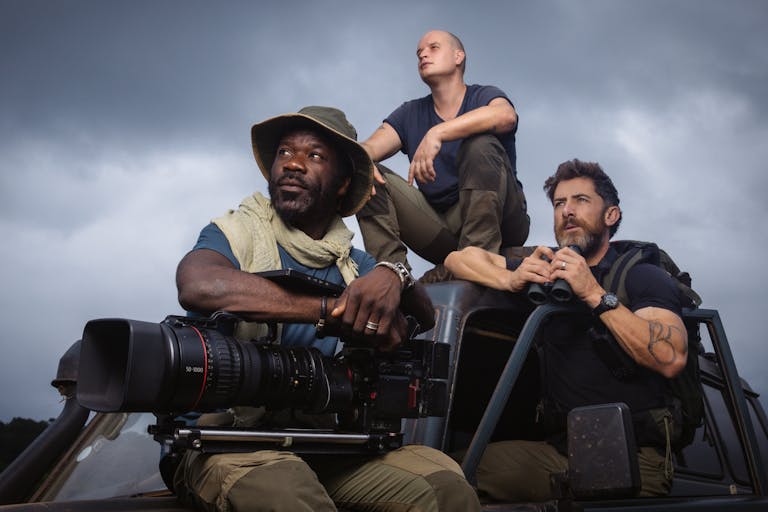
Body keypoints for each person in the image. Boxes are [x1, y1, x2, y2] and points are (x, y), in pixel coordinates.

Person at [172, 106, 481, 511]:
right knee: (287, 492)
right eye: (285, 153)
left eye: (314, 156)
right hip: (221, 442)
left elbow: (423, 315)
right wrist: (327, 309)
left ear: (342, 184)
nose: (293, 165)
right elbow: (198, 285)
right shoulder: (234, 232)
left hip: (321, 443)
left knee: (444, 488)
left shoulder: (352, 263)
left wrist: (394, 273)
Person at [444, 159, 688, 501]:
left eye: (581, 201)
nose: (568, 211)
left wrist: (593, 294)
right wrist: (510, 278)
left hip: (633, 458)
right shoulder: (548, 267)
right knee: (444, 477)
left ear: (611, 215)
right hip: (559, 451)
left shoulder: (639, 274)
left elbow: (670, 356)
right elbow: (459, 259)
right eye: (560, 203)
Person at [356, 29, 529, 282]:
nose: (423, 55)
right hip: (444, 227)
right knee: (364, 171)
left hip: (504, 217)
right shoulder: (409, 113)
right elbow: (370, 148)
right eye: (419, 53)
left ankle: (476, 260)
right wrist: (361, 158)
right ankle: (393, 278)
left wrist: (438, 132)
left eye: (433, 48)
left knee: (480, 143)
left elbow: (505, 116)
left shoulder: (483, 95)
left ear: (459, 56)